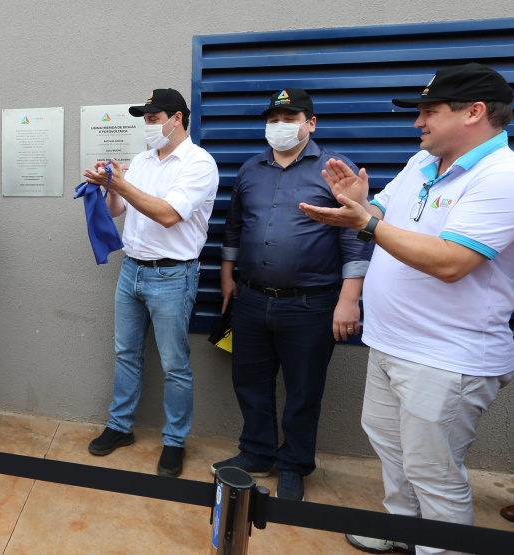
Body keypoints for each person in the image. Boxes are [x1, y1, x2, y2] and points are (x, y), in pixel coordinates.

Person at [300, 63, 514, 555]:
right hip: (392, 342)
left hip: (446, 357)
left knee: (434, 473)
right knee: (393, 453)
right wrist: (362, 206)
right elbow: (381, 213)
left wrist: (367, 225)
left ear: (475, 113)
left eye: (429, 112)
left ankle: (440, 548)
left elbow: (453, 261)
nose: (418, 122)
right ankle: (402, 531)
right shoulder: (422, 162)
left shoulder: (500, 176)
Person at [212, 89, 373, 502]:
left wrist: (348, 299)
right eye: (274, 118)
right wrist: (227, 276)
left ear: (311, 123)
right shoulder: (251, 169)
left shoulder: (334, 169)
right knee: (250, 382)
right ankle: (257, 453)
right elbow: (233, 228)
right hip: (249, 298)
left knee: (303, 390)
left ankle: (294, 465)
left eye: (290, 117)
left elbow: (355, 236)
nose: (280, 125)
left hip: (310, 303)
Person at [82, 88, 219, 477]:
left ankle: (174, 440)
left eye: (153, 118)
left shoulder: (199, 163)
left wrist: (121, 184)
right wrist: (109, 187)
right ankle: (120, 425)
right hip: (133, 270)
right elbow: (118, 210)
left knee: (175, 364)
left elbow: (169, 215)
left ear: (177, 118)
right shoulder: (141, 161)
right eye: (144, 119)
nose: (147, 125)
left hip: (174, 275)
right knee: (126, 353)